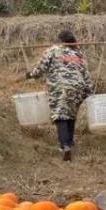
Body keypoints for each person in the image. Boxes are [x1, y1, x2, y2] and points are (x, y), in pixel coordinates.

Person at [25, 30, 93, 161]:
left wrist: (30, 75)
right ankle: (70, 142)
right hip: (78, 87)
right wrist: (89, 92)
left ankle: (65, 146)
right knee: (71, 114)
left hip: (59, 86)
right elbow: (86, 75)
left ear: (61, 40)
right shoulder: (78, 54)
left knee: (60, 115)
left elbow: (41, 67)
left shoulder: (53, 50)